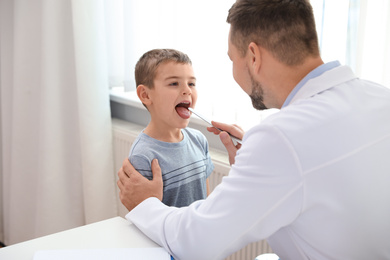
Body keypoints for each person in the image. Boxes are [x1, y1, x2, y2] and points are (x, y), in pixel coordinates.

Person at [117, 0, 390, 259]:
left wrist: (145, 204)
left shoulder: (279, 138)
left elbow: (197, 244)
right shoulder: (380, 98)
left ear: (253, 56)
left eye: (232, 59)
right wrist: (257, 161)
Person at [127, 49, 214, 207]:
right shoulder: (143, 155)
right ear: (145, 95)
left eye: (191, 84)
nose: (187, 90)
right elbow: (144, 215)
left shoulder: (199, 141)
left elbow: (206, 204)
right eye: (174, 83)